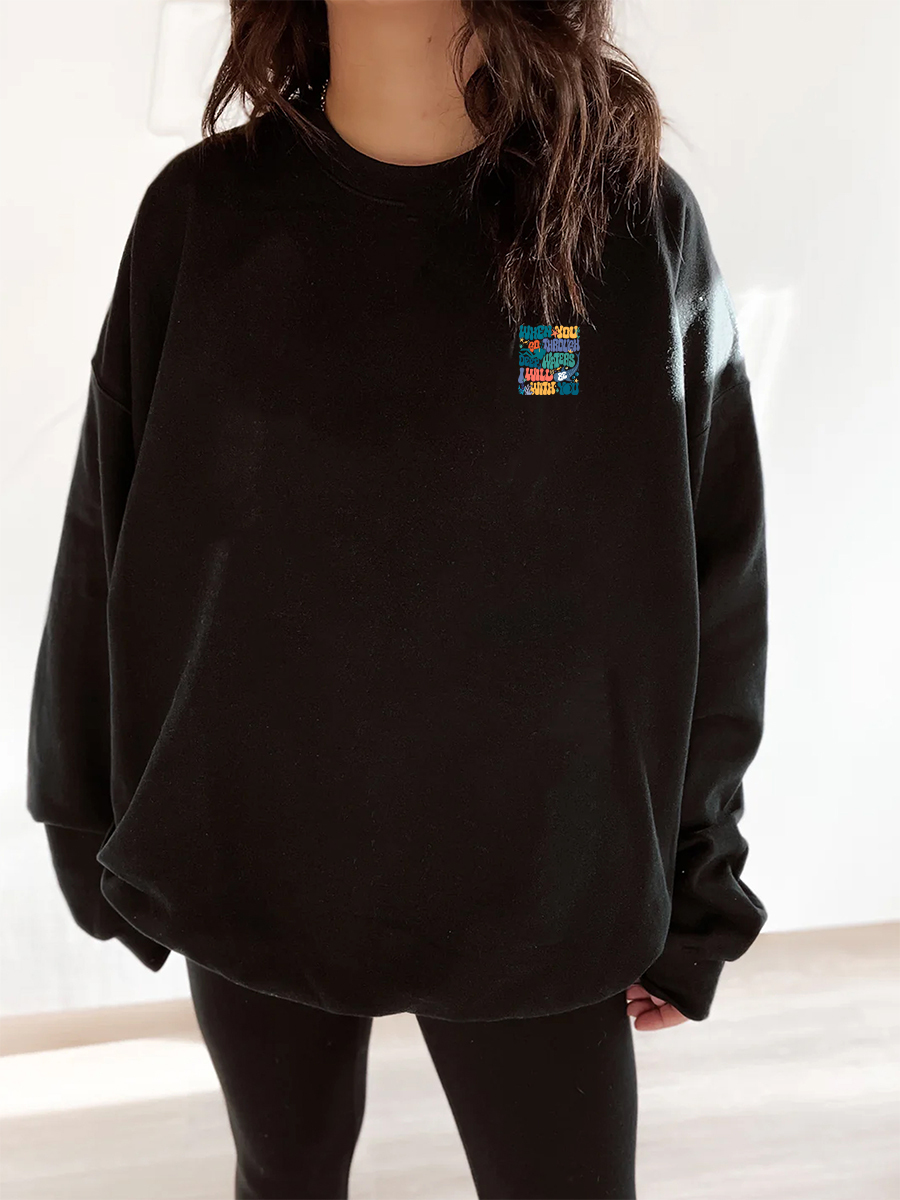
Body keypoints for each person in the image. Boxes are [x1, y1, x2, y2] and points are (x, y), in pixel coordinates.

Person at [25, 1, 769, 1196]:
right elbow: (107, 528)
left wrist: (700, 880)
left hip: (543, 870)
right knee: (284, 1176)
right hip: (259, 843)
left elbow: (715, 570)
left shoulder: (628, 225)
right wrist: (81, 810)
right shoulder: (205, 218)